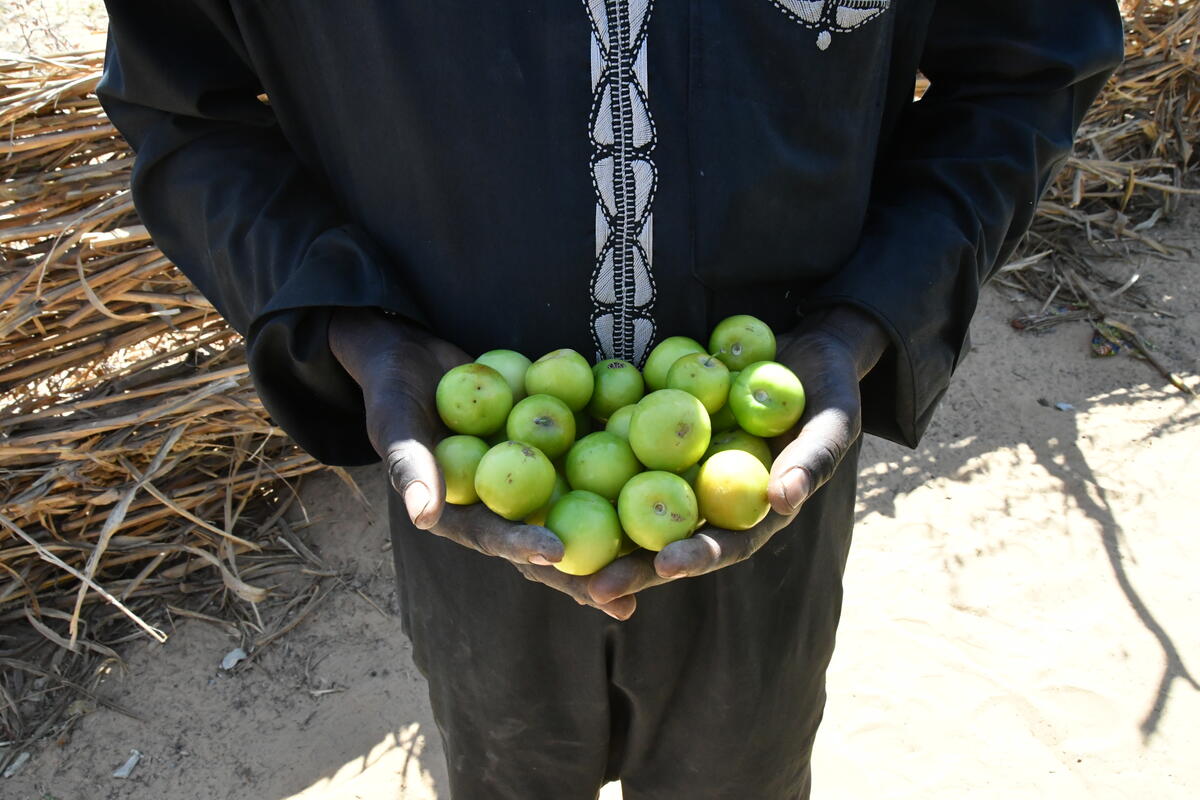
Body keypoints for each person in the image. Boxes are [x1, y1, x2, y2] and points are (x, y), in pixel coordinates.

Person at [97, 1, 1124, 797]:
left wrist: (869, 320)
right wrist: (354, 333)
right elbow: (182, 109)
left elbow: (1030, 64)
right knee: (503, 758)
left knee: (747, 764)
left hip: (767, 474)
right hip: (463, 478)